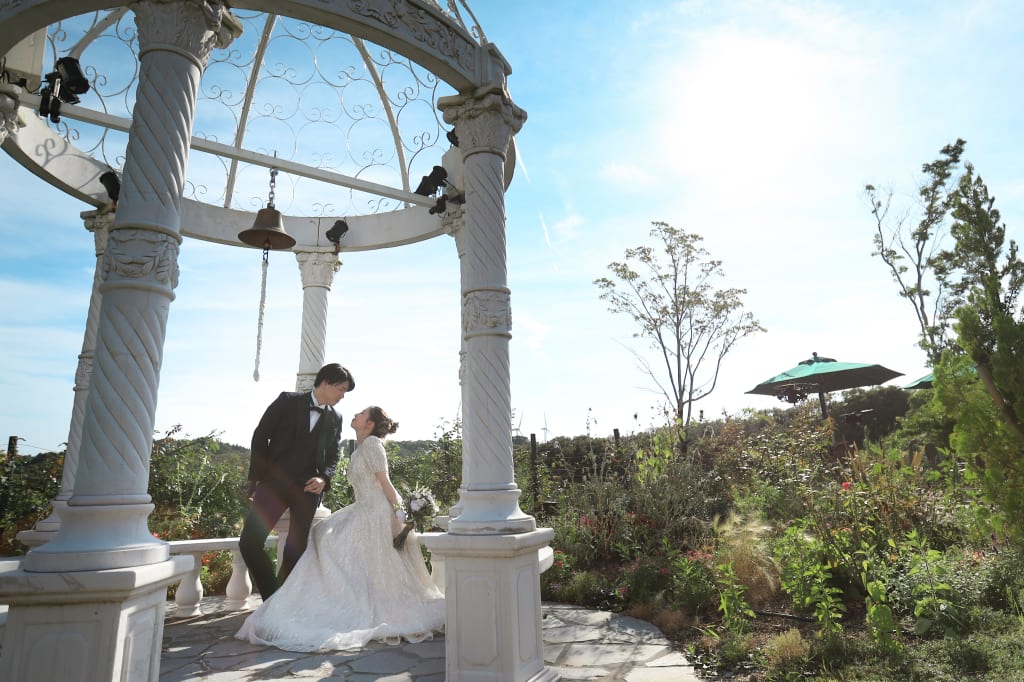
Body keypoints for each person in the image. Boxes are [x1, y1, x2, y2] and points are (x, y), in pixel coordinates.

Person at [235, 406, 445, 652]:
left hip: (375, 513)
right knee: (322, 535)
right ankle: (332, 597)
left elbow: (385, 482)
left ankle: (343, 601)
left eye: (362, 413)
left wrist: (400, 512)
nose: (356, 414)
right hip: (363, 508)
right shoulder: (360, 447)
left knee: (327, 540)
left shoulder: (373, 445)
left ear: (370, 423)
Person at [239, 362, 354, 600]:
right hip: (273, 486)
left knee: (296, 548)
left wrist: (324, 478)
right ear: (325, 383)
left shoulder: (336, 418)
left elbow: (334, 455)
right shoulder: (287, 401)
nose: (343, 396)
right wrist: (258, 477)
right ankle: (272, 596)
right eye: (341, 389)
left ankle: (282, 602)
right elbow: (260, 436)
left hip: (308, 490)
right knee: (249, 542)